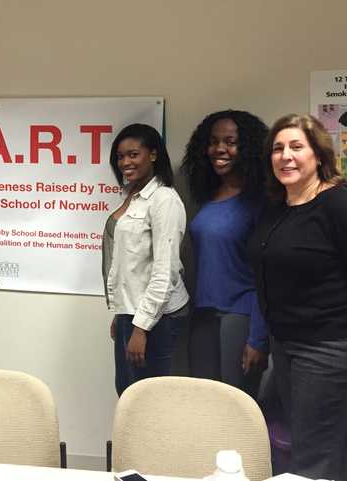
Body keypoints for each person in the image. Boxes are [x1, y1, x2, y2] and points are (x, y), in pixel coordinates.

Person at [249, 114, 347, 480]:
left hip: (326, 347)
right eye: (277, 148)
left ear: (318, 155)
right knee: (300, 443)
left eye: (296, 147)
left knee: (315, 456)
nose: (285, 156)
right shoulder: (279, 209)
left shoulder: (337, 204)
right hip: (285, 345)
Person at [181, 110, 269, 398]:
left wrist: (257, 338)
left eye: (230, 142)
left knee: (236, 407)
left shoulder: (259, 202)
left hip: (240, 316)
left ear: (248, 149)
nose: (220, 149)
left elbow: (264, 274)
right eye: (214, 141)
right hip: (204, 314)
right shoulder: (208, 198)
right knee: (207, 404)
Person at [102, 124, 189, 396]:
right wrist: (122, 313)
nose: (125, 162)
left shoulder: (163, 200)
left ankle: (147, 442)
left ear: (152, 155)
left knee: (147, 400)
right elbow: (129, 266)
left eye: (133, 154)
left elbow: (166, 270)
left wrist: (141, 328)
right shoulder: (131, 196)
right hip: (133, 312)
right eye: (120, 156)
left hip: (158, 318)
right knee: (126, 390)